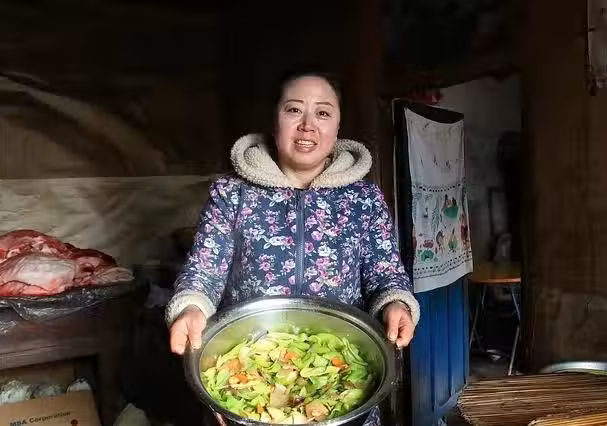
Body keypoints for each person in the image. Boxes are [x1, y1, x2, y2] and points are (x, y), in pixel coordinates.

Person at [166, 70, 420, 426]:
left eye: (323, 113)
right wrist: (191, 308)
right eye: (294, 110)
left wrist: (396, 304)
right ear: (275, 122)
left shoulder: (364, 199)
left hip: (341, 378)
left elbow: (385, 272)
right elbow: (204, 270)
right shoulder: (232, 195)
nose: (307, 125)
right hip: (248, 369)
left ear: (337, 127)